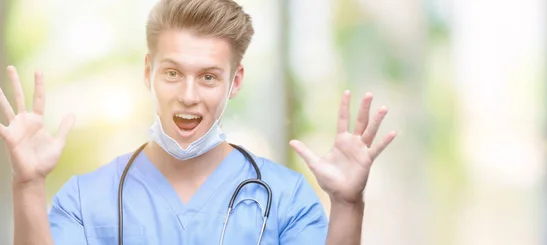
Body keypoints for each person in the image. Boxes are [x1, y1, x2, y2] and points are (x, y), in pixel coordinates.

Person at [1, 0, 396, 244]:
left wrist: (347, 205)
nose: (189, 95)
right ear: (148, 71)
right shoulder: (84, 201)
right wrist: (29, 184)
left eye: (208, 77)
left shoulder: (284, 199)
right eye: (172, 73)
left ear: (234, 82)